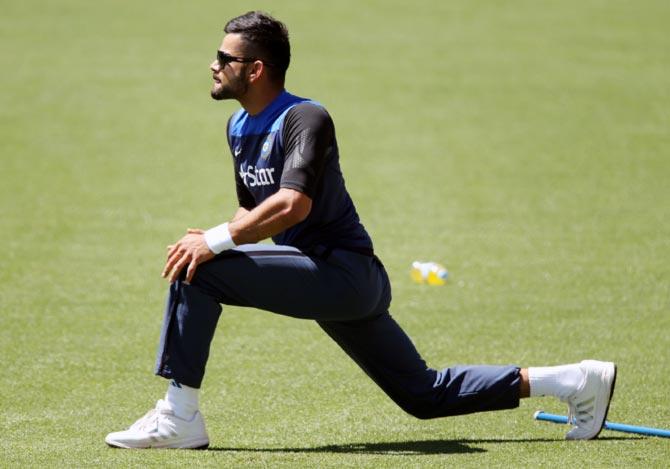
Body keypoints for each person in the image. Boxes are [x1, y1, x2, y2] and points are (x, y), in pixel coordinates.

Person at [105, 11, 616, 449]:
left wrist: (212, 242)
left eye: (224, 58)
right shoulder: (238, 127)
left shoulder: (305, 117)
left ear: (256, 69)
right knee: (424, 395)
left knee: (199, 271)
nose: (213, 65)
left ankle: (179, 417)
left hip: (342, 274)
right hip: (325, 280)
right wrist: (219, 232)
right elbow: (254, 213)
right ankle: (575, 380)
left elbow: (293, 205)